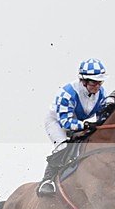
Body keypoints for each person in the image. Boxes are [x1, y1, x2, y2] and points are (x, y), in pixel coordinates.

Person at [38, 58, 109, 197]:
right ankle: (46, 182)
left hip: (78, 122)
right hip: (57, 122)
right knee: (63, 147)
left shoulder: (101, 93)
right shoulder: (67, 93)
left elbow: (102, 115)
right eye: (94, 82)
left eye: (100, 81)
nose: (98, 86)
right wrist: (86, 125)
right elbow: (66, 123)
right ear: (83, 80)